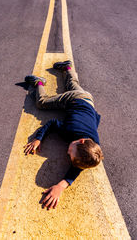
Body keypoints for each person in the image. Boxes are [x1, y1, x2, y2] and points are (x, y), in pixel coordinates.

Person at [24, 60, 104, 210]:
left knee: (72, 82)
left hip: (88, 99)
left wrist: (61, 186)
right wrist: (38, 138)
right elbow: (52, 123)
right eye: (71, 152)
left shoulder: (94, 145)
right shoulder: (70, 131)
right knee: (42, 102)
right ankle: (39, 83)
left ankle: (67, 67)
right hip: (73, 100)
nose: (67, 153)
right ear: (80, 141)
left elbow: (80, 166)